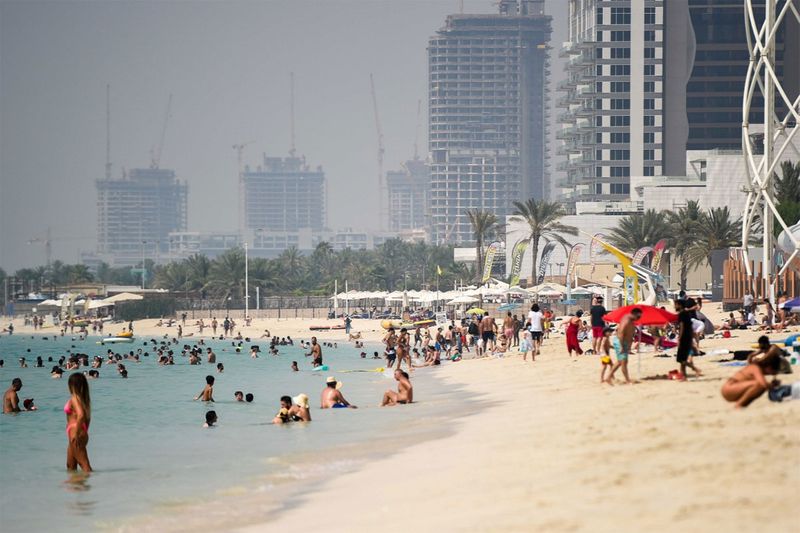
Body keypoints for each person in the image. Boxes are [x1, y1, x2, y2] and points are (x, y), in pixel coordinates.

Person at [722, 341, 783, 408]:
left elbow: (750, 358)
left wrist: (758, 352)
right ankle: (739, 404)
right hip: (730, 389)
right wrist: (772, 385)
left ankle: (742, 404)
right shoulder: (756, 368)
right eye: (772, 371)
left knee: (759, 386)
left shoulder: (755, 366)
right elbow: (763, 383)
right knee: (759, 385)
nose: (771, 374)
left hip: (731, 388)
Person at [65, 373, 92, 471]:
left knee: (85, 466)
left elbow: (81, 415)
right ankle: (77, 486)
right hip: (79, 432)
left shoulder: (75, 398)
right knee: (70, 466)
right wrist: (83, 432)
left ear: (72, 385)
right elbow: (88, 418)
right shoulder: (83, 399)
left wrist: (76, 433)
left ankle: (96, 485)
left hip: (75, 433)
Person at [608, 307, 641, 384]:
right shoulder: (627, 320)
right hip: (621, 342)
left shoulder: (630, 320)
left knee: (620, 362)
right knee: (624, 362)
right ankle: (627, 380)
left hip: (623, 342)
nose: (639, 318)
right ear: (634, 314)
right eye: (638, 316)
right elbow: (621, 333)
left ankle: (608, 377)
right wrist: (622, 346)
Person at [675, 300, 702, 379]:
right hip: (688, 337)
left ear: (680, 305)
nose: (675, 306)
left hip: (684, 338)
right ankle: (684, 376)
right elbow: (689, 327)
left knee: (680, 359)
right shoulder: (687, 314)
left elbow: (682, 326)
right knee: (682, 359)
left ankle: (696, 369)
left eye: (676, 305)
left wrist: (679, 338)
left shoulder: (682, 314)